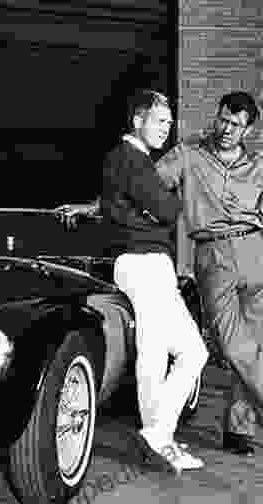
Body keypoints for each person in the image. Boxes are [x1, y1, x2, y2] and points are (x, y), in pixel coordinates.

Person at [58, 89, 209, 473]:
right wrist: (163, 204)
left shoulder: (128, 161)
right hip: (144, 264)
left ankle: (158, 432)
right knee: (156, 351)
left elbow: (142, 209)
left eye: (169, 122)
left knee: (192, 351)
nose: (166, 128)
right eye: (159, 121)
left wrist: (153, 208)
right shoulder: (132, 159)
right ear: (137, 120)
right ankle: (158, 436)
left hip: (147, 263)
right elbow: (168, 209)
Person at [155, 91, 263, 455]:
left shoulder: (256, 164)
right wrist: (98, 205)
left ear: (247, 130)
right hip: (214, 254)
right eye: (223, 119)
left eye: (236, 125)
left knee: (254, 347)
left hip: (258, 253)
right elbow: (144, 186)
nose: (226, 129)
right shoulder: (189, 155)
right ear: (217, 116)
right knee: (228, 344)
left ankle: (239, 431)